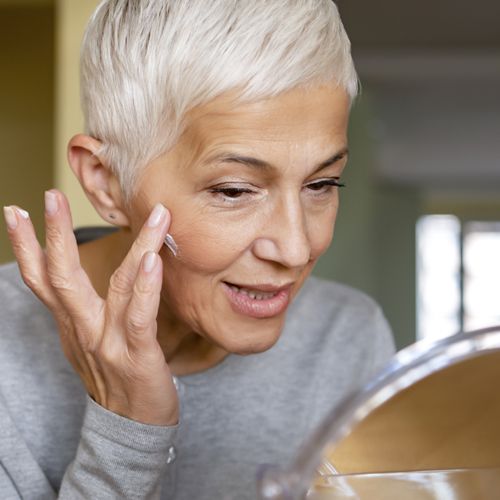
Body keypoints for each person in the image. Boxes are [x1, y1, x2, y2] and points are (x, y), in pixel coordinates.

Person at [0, 1, 395, 499]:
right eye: (233, 190)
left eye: (322, 183)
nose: (297, 249)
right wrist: (127, 433)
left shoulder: (344, 337)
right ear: (106, 183)